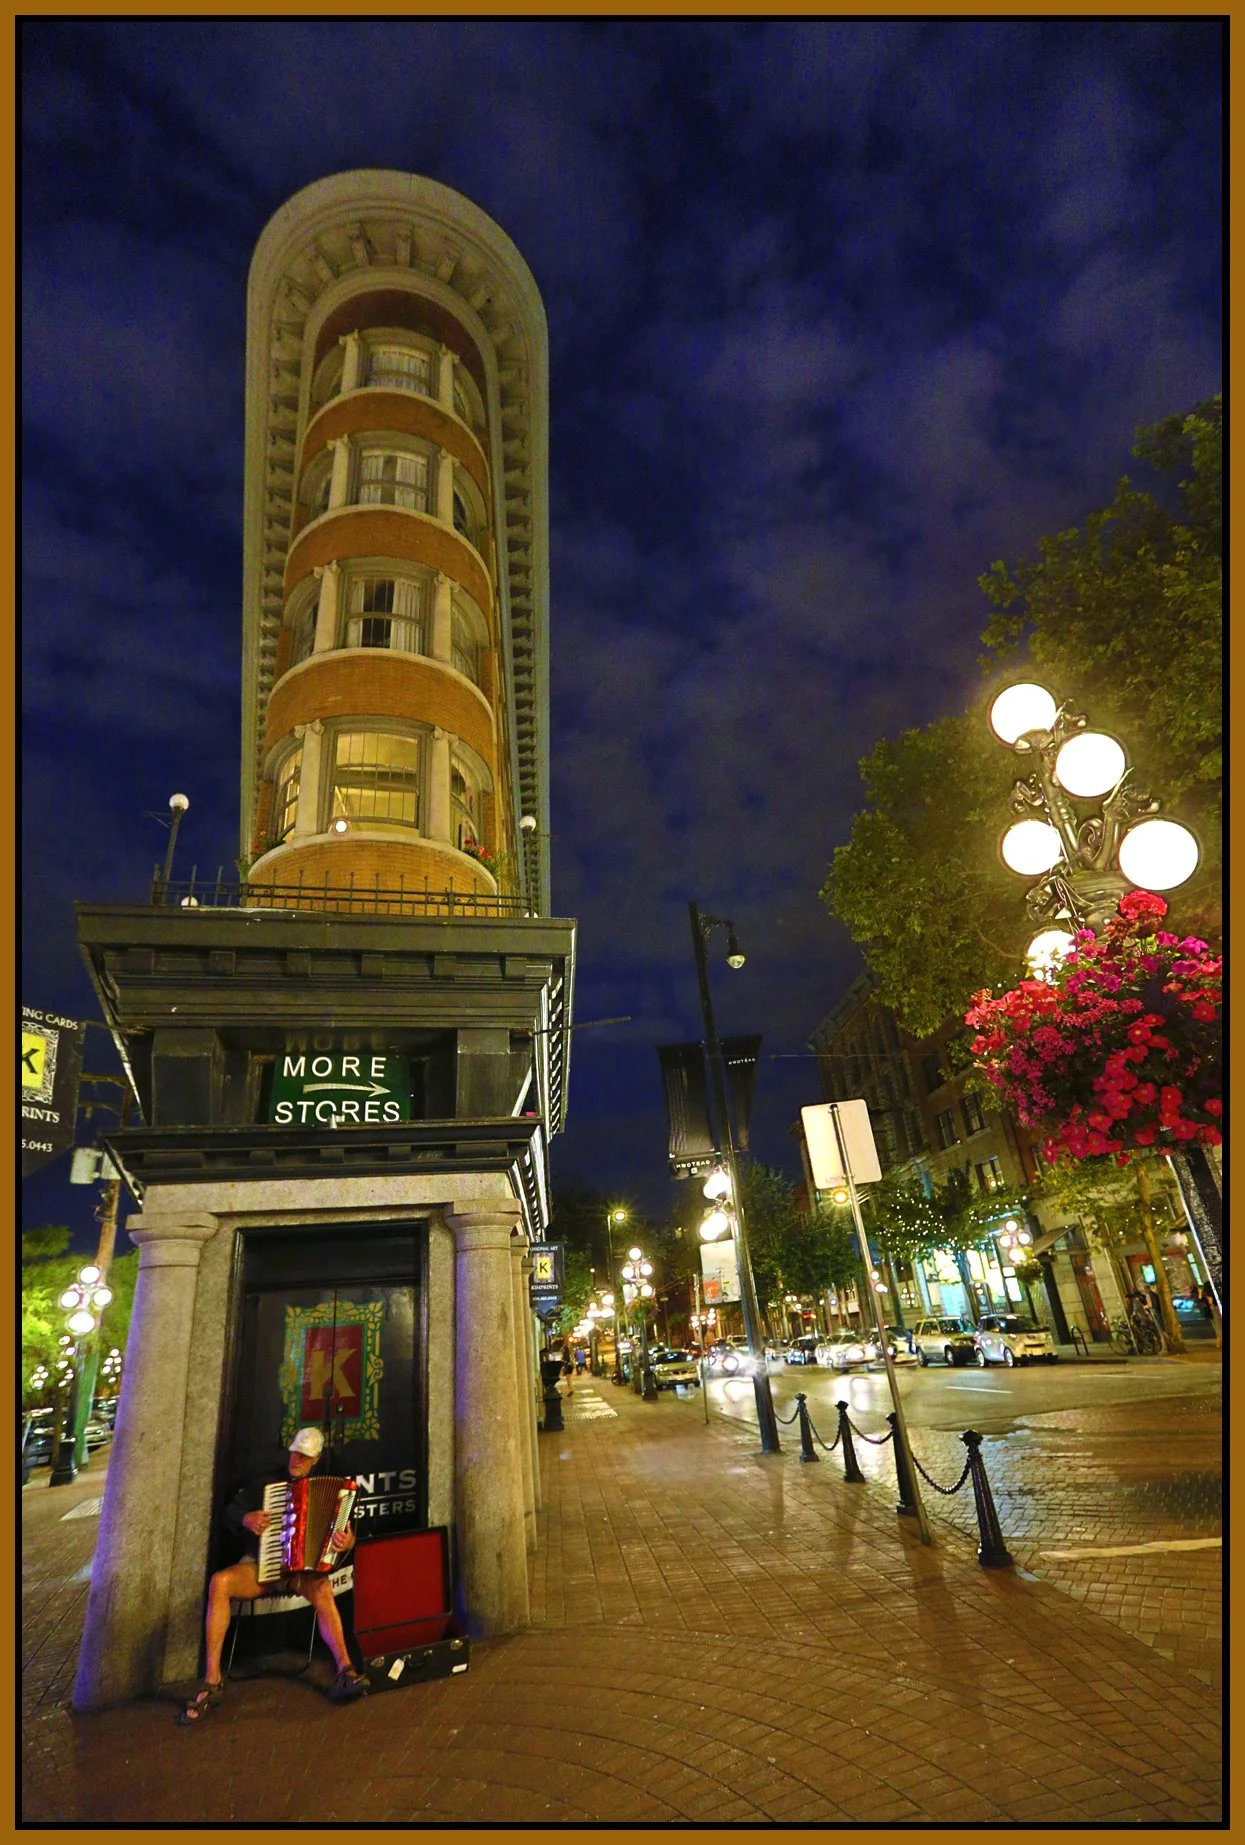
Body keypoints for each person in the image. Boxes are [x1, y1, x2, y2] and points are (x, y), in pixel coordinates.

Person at [179, 1426, 366, 1723]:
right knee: (220, 1582)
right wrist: (246, 1518)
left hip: (300, 1573)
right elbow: (230, 1512)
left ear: (315, 1459)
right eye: (294, 1452)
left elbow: (346, 1535)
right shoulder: (266, 1484)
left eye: (304, 1456)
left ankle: (345, 1669)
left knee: (322, 1589)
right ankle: (212, 1680)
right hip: (260, 1567)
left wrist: (348, 1541)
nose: (296, 1459)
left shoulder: (332, 1492)